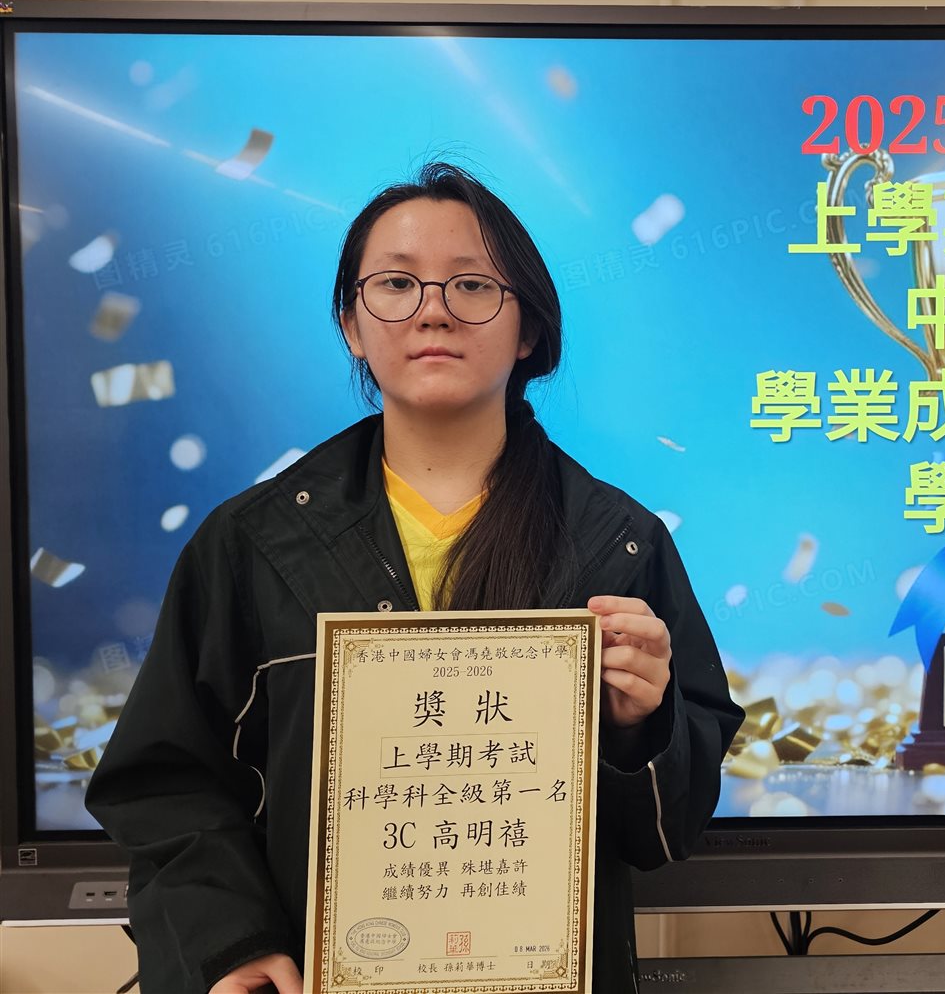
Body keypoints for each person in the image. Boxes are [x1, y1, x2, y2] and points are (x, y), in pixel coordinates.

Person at [84, 161, 744, 994]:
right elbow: (165, 781)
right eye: (396, 283)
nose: (434, 309)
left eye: (472, 284)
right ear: (352, 324)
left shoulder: (620, 544)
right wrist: (230, 942)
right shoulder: (248, 543)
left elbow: (667, 832)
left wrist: (643, 723)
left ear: (529, 329)